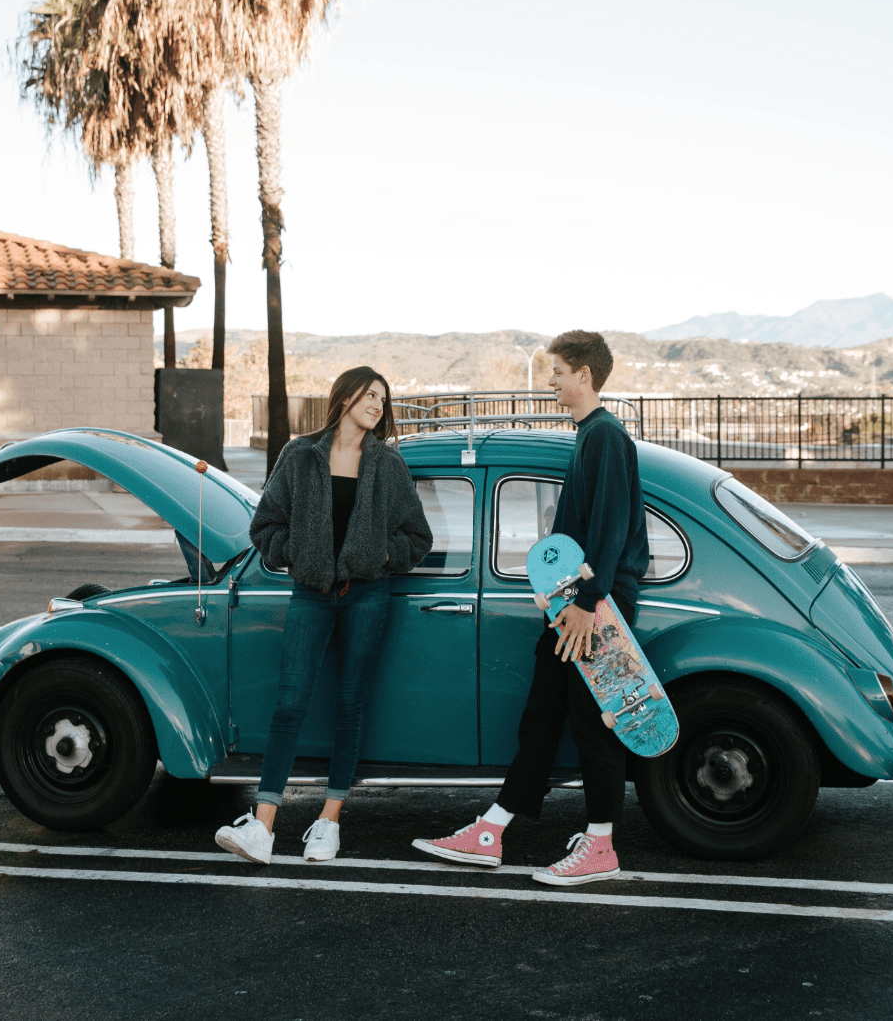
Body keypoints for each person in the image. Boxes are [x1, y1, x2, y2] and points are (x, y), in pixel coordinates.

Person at [413, 330, 649, 886]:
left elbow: (611, 530)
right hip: (574, 603)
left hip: (595, 607)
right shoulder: (591, 436)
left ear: (585, 375)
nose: (552, 382)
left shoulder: (608, 438)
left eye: (558, 372)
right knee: (542, 714)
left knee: (594, 724)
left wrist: (589, 604)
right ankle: (491, 831)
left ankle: (601, 846)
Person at [214, 366, 433, 865]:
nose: (378, 404)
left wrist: (377, 559)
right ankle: (262, 827)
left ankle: (328, 822)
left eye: (384, 397)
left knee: (350, 704)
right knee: (289, 704)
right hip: (310, 594)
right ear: (345, 397)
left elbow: (417, 538)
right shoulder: (299, 454)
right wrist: (298, 555)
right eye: (370, 394)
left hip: (368, 596)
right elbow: (264, 525)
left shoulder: (389, 465)